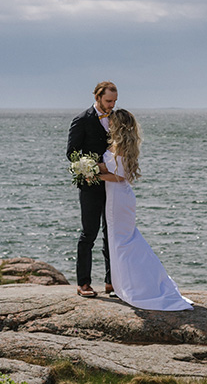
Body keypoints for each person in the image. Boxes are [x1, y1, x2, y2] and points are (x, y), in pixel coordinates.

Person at [99, 109, 193, 311]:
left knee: (122, 243)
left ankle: (136, 288)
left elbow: (120, 176)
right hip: (116, 198)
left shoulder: (122, 147)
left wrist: (94, 176)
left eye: (112, 122)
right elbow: (112, 169)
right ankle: (126, 285)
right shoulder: (118, 145)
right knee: (122, 242)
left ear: (118, 125)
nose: (110, 124)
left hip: (119, 198)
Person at [67, 81, 118, 298]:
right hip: (90, 185)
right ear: (97, 98)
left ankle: (112, 282)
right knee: (89, 233)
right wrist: (90, 168)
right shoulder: (82, 120)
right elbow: (71, 153)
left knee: (112, 233)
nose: (112, 105)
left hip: (114, 183)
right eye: (108, 101)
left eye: (114, 101)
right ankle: (84, 283)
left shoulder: (116, 118)